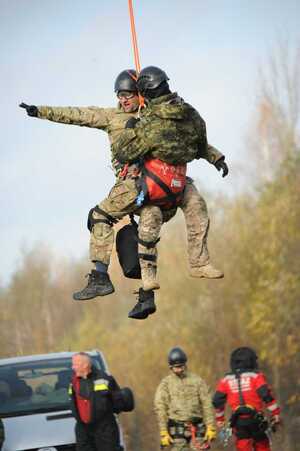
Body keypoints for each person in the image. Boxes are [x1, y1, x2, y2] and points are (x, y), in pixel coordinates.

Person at [19, 68, 227, 313]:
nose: (123, 100)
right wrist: (41, 111)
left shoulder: (154, 115)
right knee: (144, 232)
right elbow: (77, 114)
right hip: (142, 186)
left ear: (141, 94)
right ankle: (147, 297)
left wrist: (216, 157)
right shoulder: (112, 117)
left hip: (149, 181)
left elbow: (187, 136)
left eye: (128, 94)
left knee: (100, 216)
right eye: (119, 95)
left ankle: (100, 278)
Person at [212, 347, 281, 451]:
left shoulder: (225, 380)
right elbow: (266, 395)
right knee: (262, 445)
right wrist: (275, 413)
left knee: (242, 446)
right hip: (256, 420)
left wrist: (220, 420)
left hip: (238, 421)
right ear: (251, 361)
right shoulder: (256, 376)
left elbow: (217, 401)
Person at [154, 347, 216, 450]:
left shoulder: (197, 381)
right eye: (176, 367)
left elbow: (207, 403)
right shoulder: (166, 384)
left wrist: (210, 426)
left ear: (185, 364)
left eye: (181, 366)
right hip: (176, 430)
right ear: (171, 367)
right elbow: (160, 407)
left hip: (197, 429)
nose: (179, 369)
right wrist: (163, 431)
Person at [69, 352, 128, 451]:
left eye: (75, 364)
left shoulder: (104, 378)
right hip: (83, 430)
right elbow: (73, 402)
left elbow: (118, 402)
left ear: (85, 365)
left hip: (105, 429)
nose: (72, 367)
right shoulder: (73, 381)